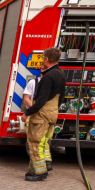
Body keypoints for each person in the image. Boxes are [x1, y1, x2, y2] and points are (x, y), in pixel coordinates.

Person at [20, 47, 66, 182]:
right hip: (53, 113)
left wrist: (27, 113)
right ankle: (34, 170)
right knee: (44, 142)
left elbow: (41, 100)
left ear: (47, 59)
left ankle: (39, 173)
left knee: (35, 142)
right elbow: (62, 97)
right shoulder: (61, 74)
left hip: (42, 115)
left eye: (43, 59)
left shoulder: (48, 77)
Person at [22, 75, 53, 174]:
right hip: (34, 115)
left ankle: (44, 164)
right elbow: (26, 99)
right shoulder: (33, 83)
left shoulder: (52, 84)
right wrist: (37, 109)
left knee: (44, 140)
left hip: (47, 117)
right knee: (35, 141)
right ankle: (41, 165)